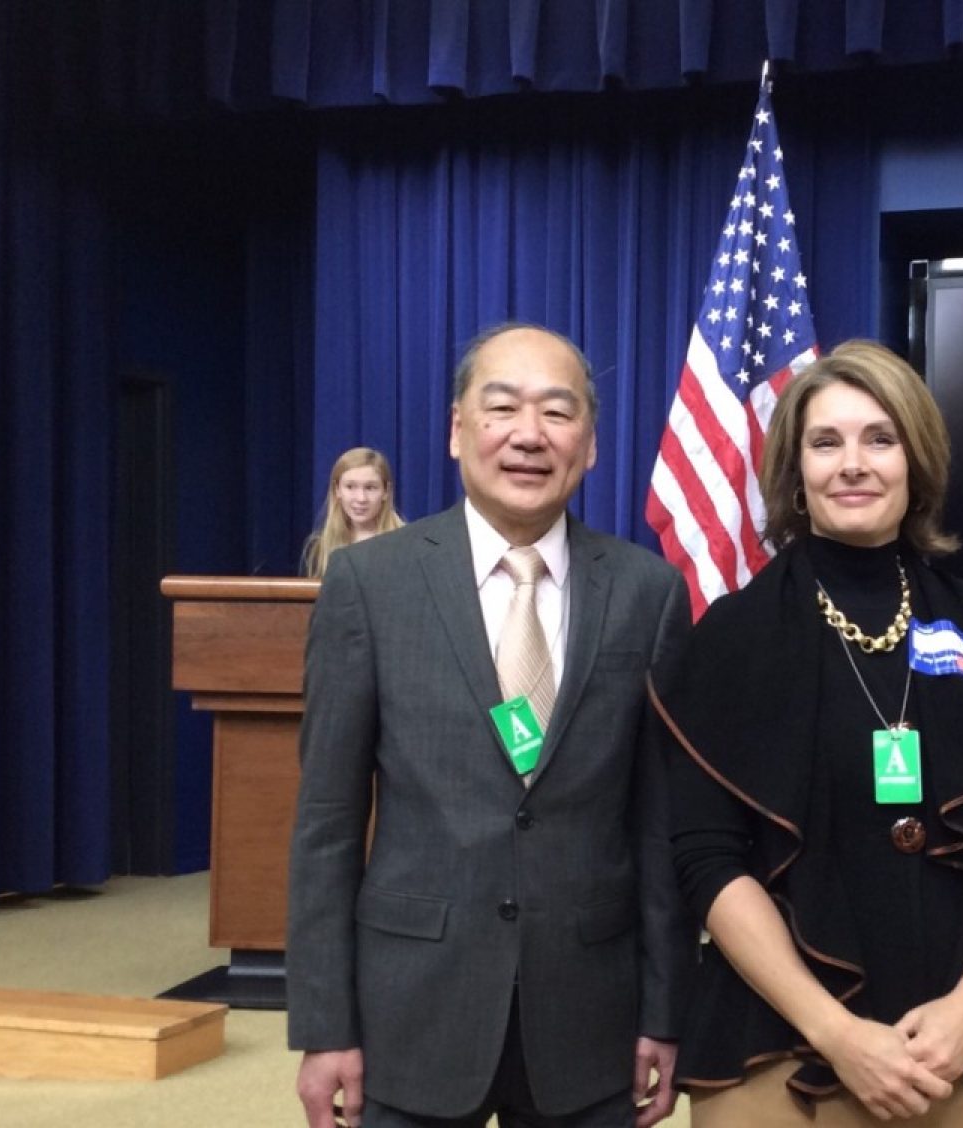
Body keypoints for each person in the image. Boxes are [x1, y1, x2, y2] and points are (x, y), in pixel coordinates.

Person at [287, 323, 692, 1128]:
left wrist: (664, 1007)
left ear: (591, 444)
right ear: (456, 430)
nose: (529, 436)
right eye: (501, 407)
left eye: (557, 412)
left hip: (592, 1017)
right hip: (412, 1009)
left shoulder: (649, 593)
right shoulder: (369, 586)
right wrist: (326, 1024)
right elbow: (328, 822)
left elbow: (659, 827)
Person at [651, 340, 963, 1126]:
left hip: (960, 1037)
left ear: (917, 460)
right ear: (795, 472)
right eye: (826, 441)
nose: (854, 464)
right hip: (780, 1039)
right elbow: (706, 859)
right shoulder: (731, 637)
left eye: (880, 438)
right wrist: (836, 1033)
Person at [301, 447, 408, 579]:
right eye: (350, 487)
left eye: (370, 488)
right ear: (337, 490)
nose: (361, 498)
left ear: (386, 491)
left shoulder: (406, 545)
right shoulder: (317, 550)